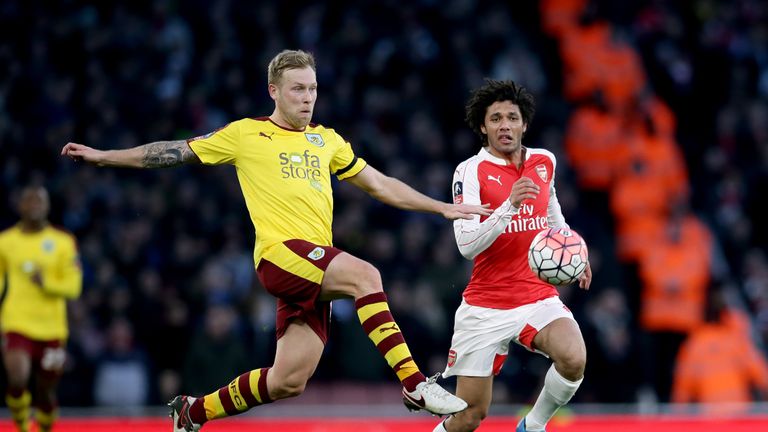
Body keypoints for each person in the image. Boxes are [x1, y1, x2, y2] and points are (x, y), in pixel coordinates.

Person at [61, 49, 490, 432]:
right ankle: (415, 384)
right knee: (365, 275)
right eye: (298, 89)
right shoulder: (246, 134)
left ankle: (193, 411)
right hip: (280, 256)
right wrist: (104, 156)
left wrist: (441, 207)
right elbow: (175, 150)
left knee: (288, 380)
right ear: (274, 91)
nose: (308, 98)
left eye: (313, 89)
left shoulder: (327, 140)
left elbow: (379, 184)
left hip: (314, 266)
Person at [434, 80, 592, 432]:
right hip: (485, 306)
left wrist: (573, 250)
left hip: (536, 295)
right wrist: (508, 206)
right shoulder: (469, 171)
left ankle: (533, 425)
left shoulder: (544, 161)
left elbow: (552, 212)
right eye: (495, 119)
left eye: (511, 117)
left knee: (574, 357)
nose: (504, 125)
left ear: (524, 124)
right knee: (471, 415)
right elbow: (466, 244)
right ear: (482, 126)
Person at [0, 185, 83, 432]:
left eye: (40, 200)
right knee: (17, 378)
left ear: (47, 206)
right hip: (17, 321)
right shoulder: (5, 242)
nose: (34, 204)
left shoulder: (64, 242)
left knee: (46, 392)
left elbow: (74, 286)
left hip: (52, 328)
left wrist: (46, 283)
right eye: (29, 200)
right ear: (20, 206)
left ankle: (44, 428)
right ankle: (22, 425)